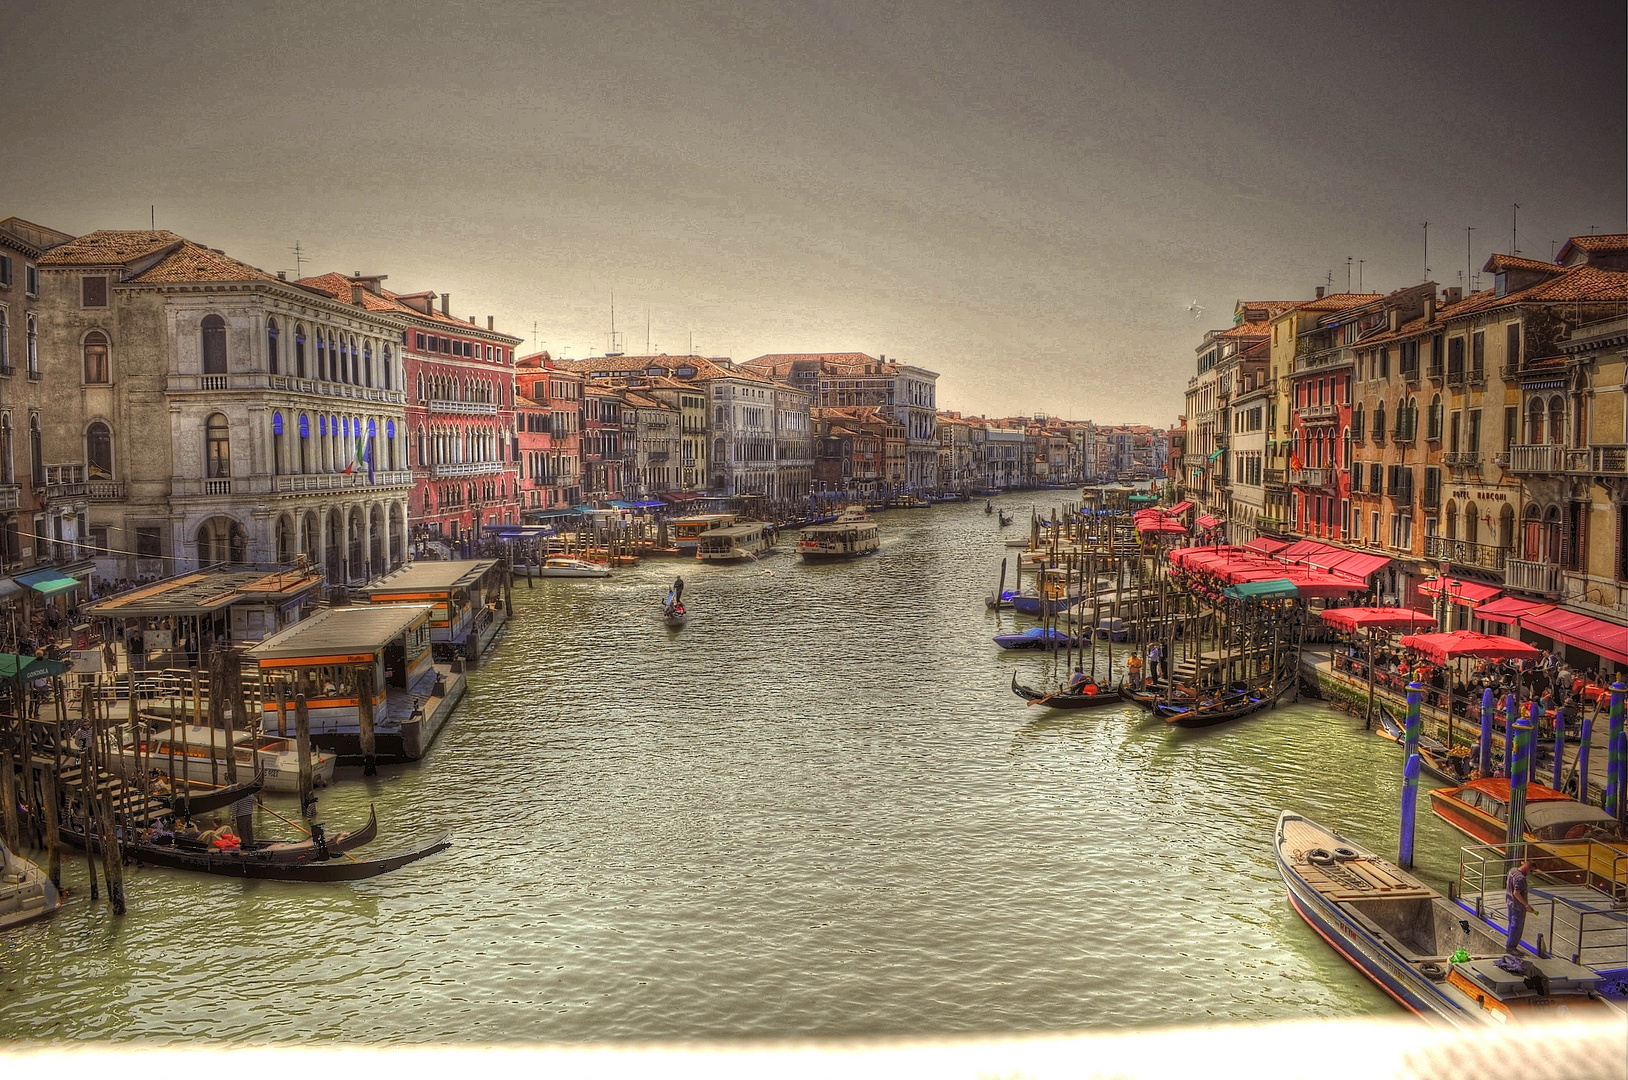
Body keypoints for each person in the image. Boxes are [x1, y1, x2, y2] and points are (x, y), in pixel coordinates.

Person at [1504, 857, 1535, 954]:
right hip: (1518, 906)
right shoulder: (1521, 878)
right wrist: (1526, 905)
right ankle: (1511, 947)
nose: (1531, 874)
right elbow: (1516, 893)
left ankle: (1510, 941)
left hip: (1510, 902)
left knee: (1511, 923)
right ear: (1527, 868)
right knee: (1516, 926)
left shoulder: (1512, 871)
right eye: (1531, 871)